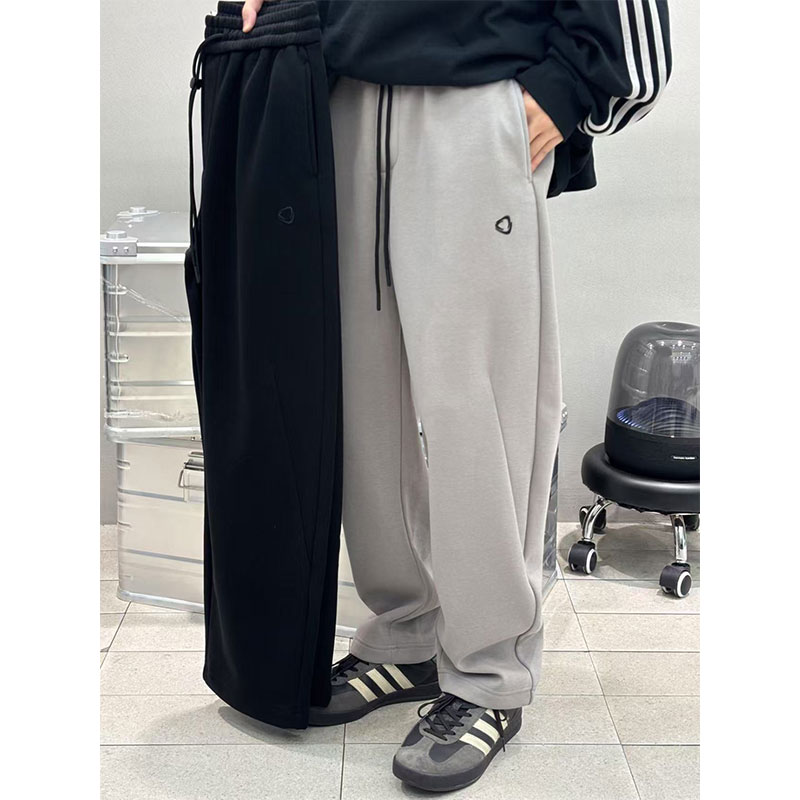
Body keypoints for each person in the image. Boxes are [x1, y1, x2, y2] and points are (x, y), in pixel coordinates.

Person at [242, 0, 671, 791]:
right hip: (341, 96)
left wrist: (568, 93)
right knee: (358, 403)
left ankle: (490, 673)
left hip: (473, 101)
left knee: (479, 404)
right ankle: (405, 633)